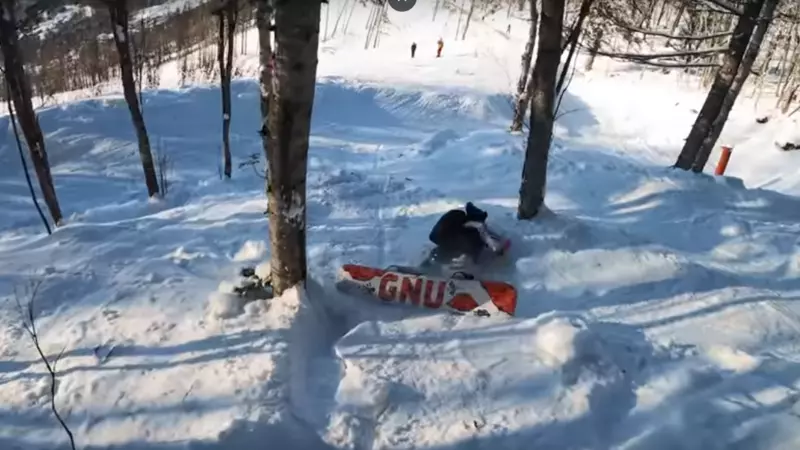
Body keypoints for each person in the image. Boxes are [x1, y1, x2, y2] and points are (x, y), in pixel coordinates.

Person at [428, 202, 504, 263]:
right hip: (447, 239)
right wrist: (498, 249)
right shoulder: (475, 223)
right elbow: (486, 237)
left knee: (444, 250)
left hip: (439, 238)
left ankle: (429, 265)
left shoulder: (458, 216)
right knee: (475, 243)